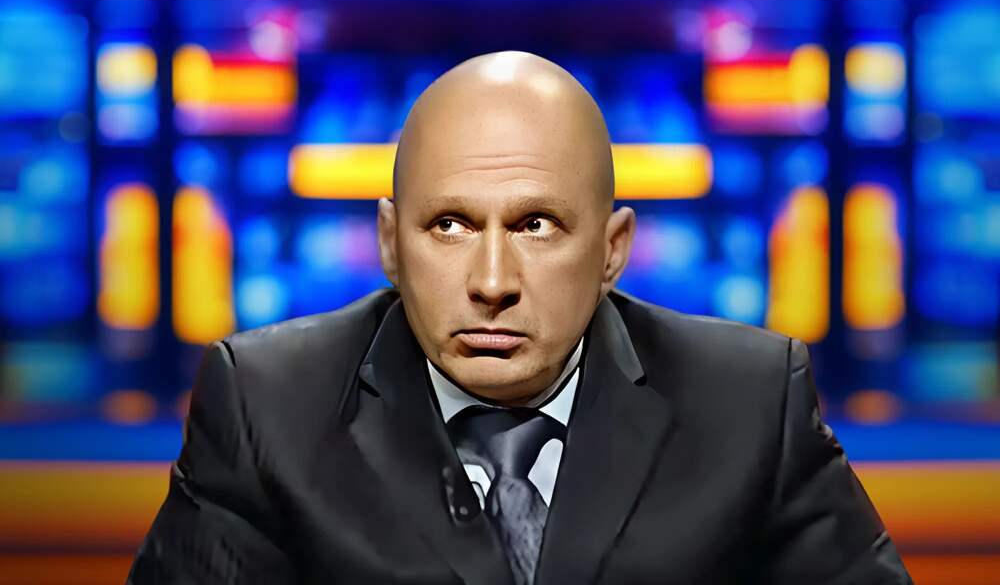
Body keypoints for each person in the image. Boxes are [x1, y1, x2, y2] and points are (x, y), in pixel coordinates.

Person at [128, 51, 911, 584]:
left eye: (536, 226)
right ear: (390, 244)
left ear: (612, 250)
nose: (492, 282)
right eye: (450, 226)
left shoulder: (750, 401)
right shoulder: (267, 405)